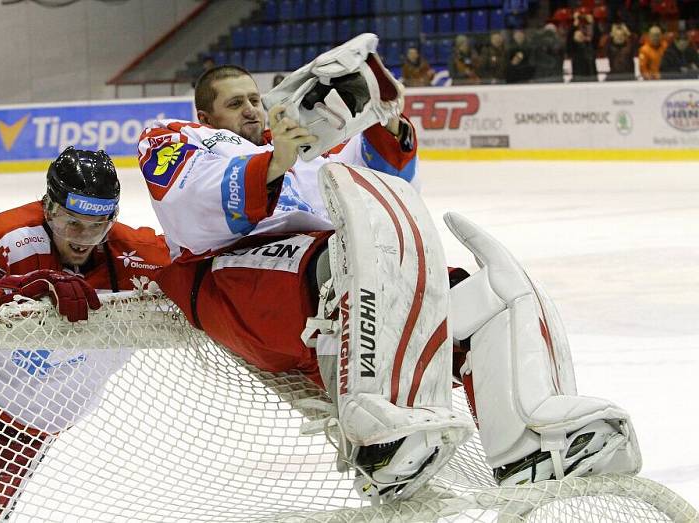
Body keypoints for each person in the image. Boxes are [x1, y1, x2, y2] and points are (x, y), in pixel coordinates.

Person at [138, 40, 640, 503]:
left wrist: (384, 121)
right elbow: (193, 201)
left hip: (331, 286)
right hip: (236, 286)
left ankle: (531, 442)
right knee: (353, 256)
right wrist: (274, 162)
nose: (251, 109)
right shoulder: (176, 139)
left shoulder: (294, 145)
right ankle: (383, 440)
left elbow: (374, 178)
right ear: (205, 114)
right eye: (235, 103)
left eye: (253, 98)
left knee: (480, 295)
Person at [0, 147, 169, 522]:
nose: (82, 239)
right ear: (48, 207)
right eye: (71, 223)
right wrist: (15, 291)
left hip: (34, 416)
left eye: (97, 226)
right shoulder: (5, 237)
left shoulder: (139, 256)